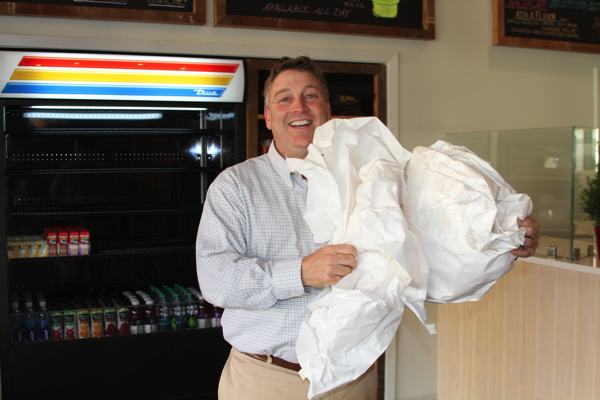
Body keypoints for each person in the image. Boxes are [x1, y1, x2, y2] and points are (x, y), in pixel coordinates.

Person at [196, 56, 540, 400]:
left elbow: (434, 247)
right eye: (284, 98)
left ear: (326, 109)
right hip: (266, 380)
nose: (298, 106)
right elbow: (216, 279)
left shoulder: (375, 177)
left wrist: (504, 235)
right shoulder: (236, 187)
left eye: (310, 96)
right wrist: (301, 272)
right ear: (268, 116)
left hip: (353, 380)